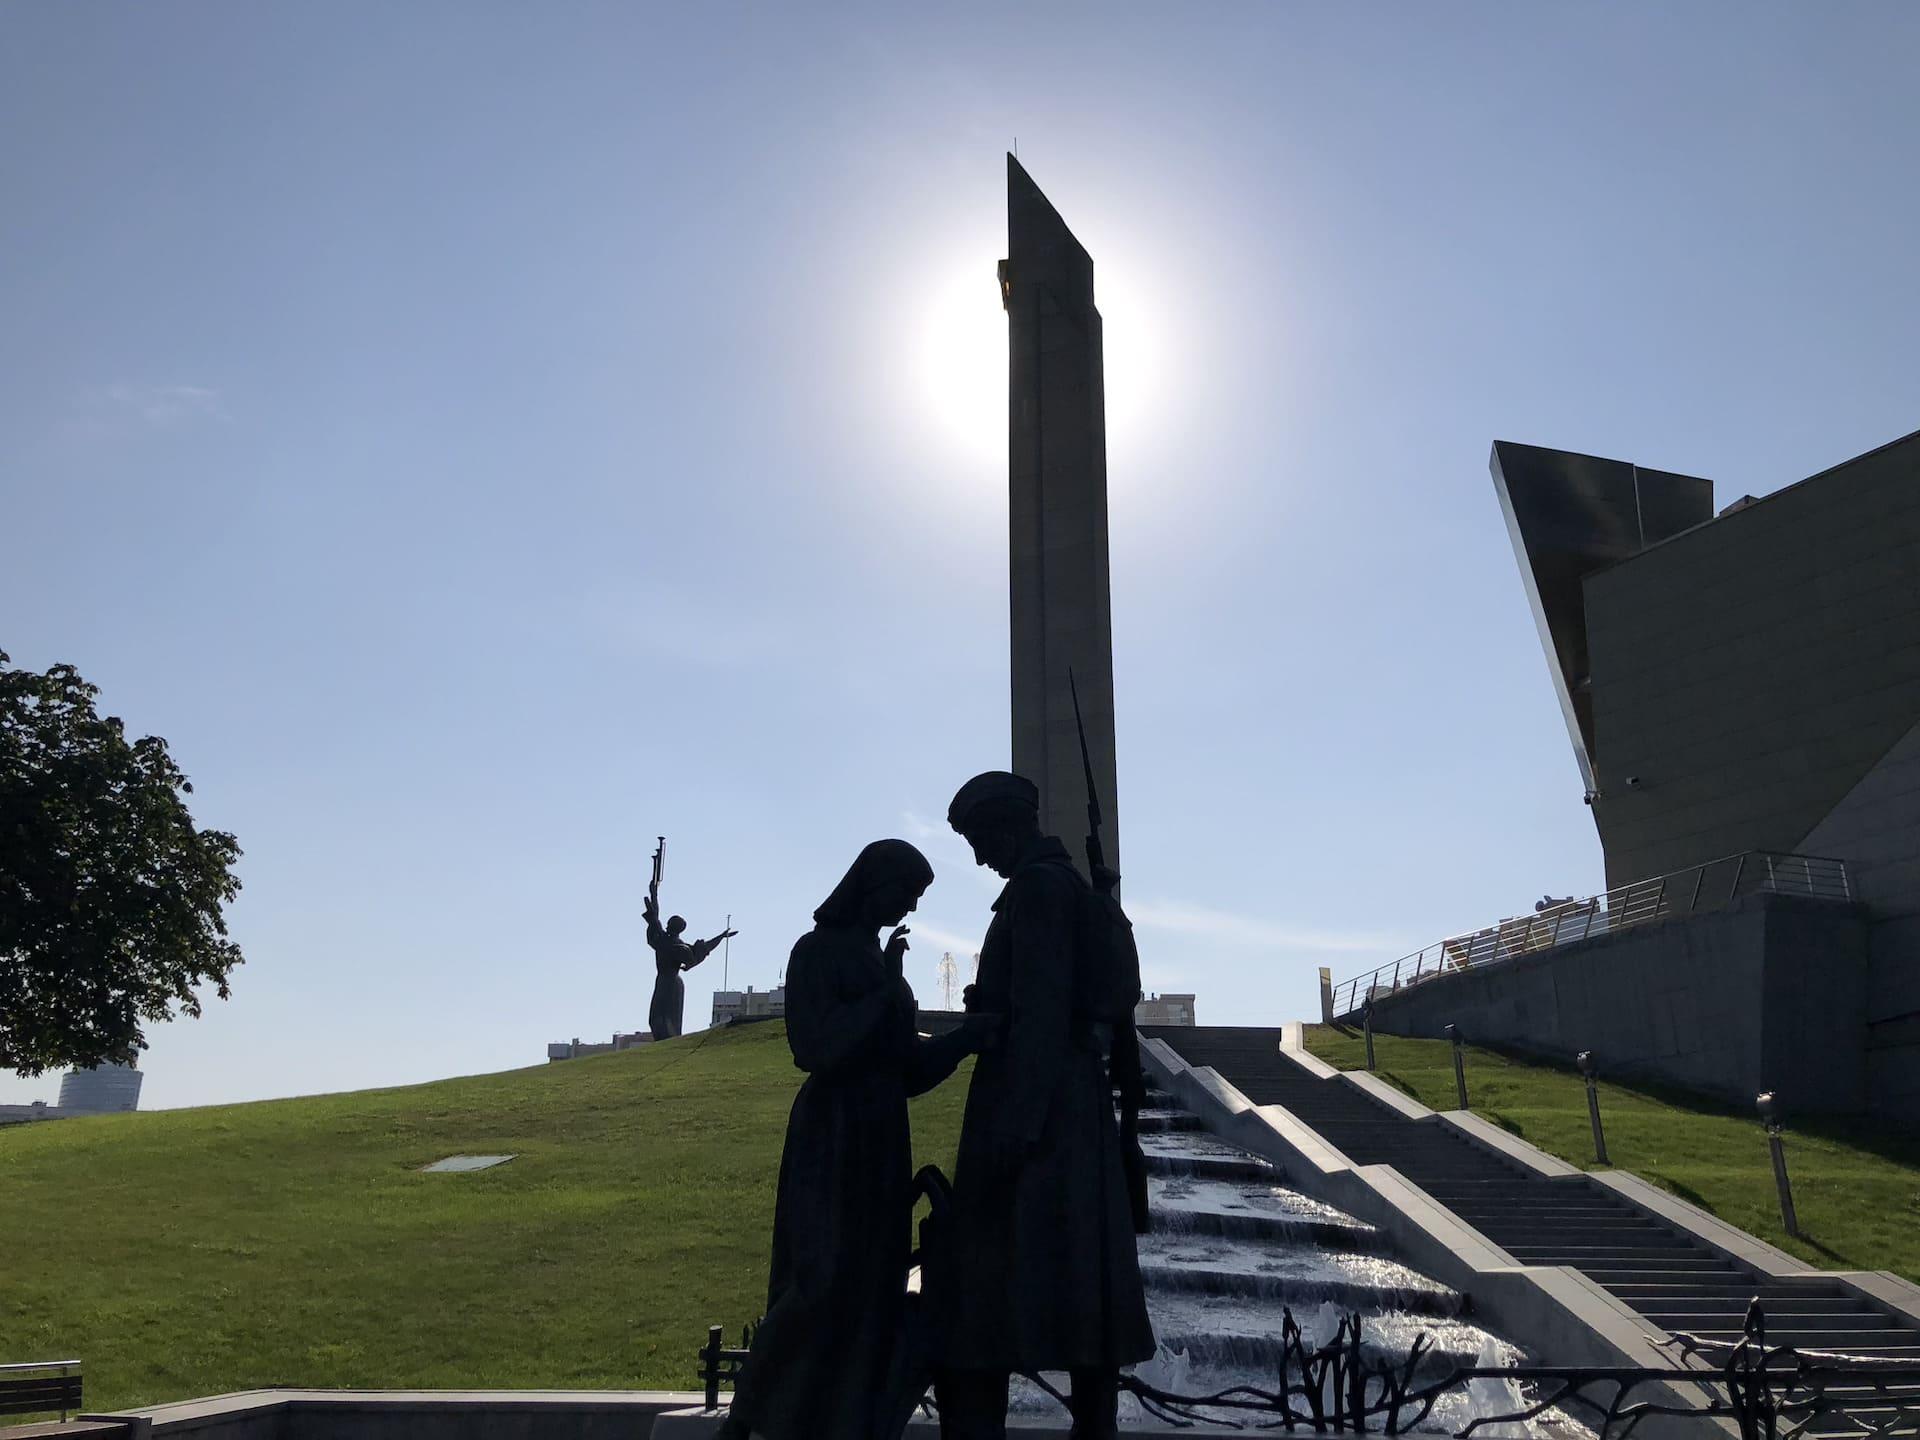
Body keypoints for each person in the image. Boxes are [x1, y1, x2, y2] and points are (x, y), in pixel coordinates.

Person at [720, 839, 1000, 1440]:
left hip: (878, 1136)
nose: (911, 907)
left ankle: (844, 1418)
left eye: (918, 897)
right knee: (817, 1283)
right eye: (907, 893)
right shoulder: (816, 952)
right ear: (873, 884)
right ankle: (742, 1424)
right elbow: (814, 1046)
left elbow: (907, 1070)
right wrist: (886, 996)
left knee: (871, 1286)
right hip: (832, 1134)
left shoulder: (877, 964)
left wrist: (965, 1040)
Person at [937, 771, 1154, 1440]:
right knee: (1084, 1302)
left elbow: (1038, 1015)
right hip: (1073, 1112)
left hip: (1038, 1115)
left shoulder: (1035, 891)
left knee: (993, 1302)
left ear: (1005, 828)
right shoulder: (1067, 888)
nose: (978, 857)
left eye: (979, 841)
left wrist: (1014, 1134)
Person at [643, 876, 735, 1041]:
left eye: (670, 924)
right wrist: (654, 893)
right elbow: (655, 918)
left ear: (675, 928)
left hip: (671, 983)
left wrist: (721, 937)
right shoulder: (665, 940)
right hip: (664, 981)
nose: (666, 925)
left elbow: (701, 951)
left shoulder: (676, 946)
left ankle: (669, 1044)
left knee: (666, 1020)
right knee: (655, 1019)